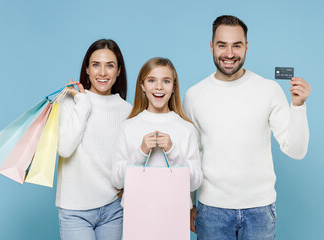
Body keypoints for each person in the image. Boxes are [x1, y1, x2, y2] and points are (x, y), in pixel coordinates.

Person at [184, 15, 311, 240]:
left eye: (237, 45)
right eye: (222, 45)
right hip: (211, 210)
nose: (230, 54)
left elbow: (296, 150)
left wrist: (298, 107)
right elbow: (191, 156)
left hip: (260, 211)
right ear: (212, 46)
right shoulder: (194, 95)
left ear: (247, 47)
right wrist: (188, 205)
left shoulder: (269, 90)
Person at [56, 39, 132, 240]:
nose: (102, 72)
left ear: (118, 71)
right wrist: (83, 104)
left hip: (113, 209)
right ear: (87, 69)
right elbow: (64, 149)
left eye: (110, 65)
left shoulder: (128, 111)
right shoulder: (70, 101)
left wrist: (128, 186)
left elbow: (129, 158)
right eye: (96, 65)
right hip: (75, 211)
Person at [111, 57, 203, 206]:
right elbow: (116, 180)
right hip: (137, 212)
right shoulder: (128, 126)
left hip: (175, 211)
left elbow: (194, 183)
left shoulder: (186, 128)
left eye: (166, 81)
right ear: (142, 85)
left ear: (174, 87)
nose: (159, 87)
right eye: (151, 80)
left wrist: (173, 152)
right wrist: (140, 152)